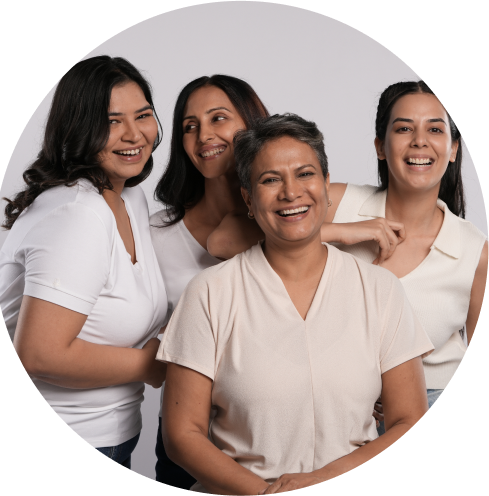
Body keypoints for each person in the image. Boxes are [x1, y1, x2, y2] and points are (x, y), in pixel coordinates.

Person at [157, 114, 434, 494]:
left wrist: (321, 479)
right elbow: (181, 434)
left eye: (305, 174)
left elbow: (408, 420)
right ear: (248, 199)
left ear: (326, 186)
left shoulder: (380, 290)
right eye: (270, 180)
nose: (291, 192)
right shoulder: (208, 292)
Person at [209, 81, 489, 433]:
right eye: (403, 128)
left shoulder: (475, 251)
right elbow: (221, 241)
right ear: (380, 147)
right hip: (334, 409)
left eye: (435, 129)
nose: (419, 140)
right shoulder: (340, 203)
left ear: (452, 149)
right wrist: (343, 231)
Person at [0, 56, 168, 469]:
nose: (134, 134)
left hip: (110, 436)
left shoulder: (128, 196)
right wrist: (155, 363)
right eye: (111, 121)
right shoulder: (77, 213)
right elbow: (39, 355)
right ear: (78, 128)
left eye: (143, 115)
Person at [150, 74, 269, 488]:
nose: (203, 135)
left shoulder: (296, 212)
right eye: (189, 125)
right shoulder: (156, 236)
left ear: (251, 124)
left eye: (219, 118)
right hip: (188, 434)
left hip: (274, 429)